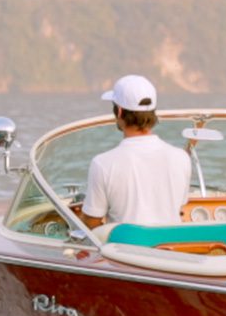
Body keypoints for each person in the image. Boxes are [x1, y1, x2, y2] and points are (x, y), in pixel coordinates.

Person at [78, 74, 192, 230]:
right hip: (170, 245)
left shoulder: (102, 164)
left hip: (123, 246)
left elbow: (91, 224)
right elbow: (179, 206)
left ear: (119, 112)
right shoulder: (182, 158)